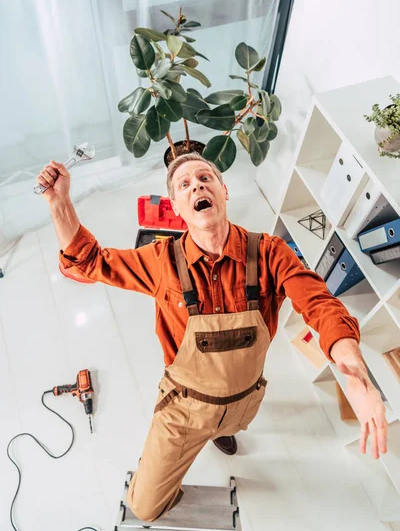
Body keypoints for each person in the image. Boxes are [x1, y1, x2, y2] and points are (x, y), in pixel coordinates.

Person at [37, 152, 388, 523]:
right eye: (185, 185)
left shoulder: (270, 253)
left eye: (205, 178)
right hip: (184, 410)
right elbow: (90, 262)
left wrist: (358, 380)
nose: (197, 186)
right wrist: (59, 202)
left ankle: (220, 432)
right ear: (176, 207)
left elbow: (321, 306)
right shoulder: (160, 261)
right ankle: (195, 439)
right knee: (143, 506)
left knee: (228, 424)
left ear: (223, 191)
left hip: (242, 400)